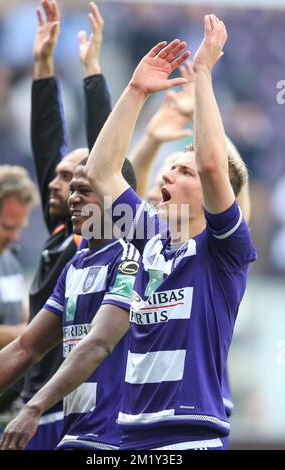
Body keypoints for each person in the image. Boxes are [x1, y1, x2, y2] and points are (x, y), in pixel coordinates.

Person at [83, 15, 256, 450]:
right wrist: (136, 92)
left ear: (213, 196)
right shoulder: (150, 237)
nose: (168, 175)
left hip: (187, 438)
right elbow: (101, 173)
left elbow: (216, 165)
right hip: (129, 435)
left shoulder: (225, 249)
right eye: (170, 167)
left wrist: (202, 76)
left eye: (184, 171)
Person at [0, 158, 140, 451]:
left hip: (116, 437)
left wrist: (33, 408)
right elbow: (26, 348)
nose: (73, 199)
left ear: (113, 193)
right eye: (73, 190)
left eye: (84, 190)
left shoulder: (131, 258)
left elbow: (98, 345)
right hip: (76, 432)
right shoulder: (75, 266)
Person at [22, 0, 111, 449]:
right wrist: (42, 65)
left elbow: (107, 156)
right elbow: (45, 144)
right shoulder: (60, 234)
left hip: (66, 407)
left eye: (72, 178)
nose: (57, 184)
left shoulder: (92, 234)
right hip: (30, 402)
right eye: (56, 178)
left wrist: (92, 70)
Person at [0, 164, 38, 449]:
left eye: (19, 228)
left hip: (7, 415)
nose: (14, 237)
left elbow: (19, 310)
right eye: (7, 227)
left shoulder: (8, 256)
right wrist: (23, 335)